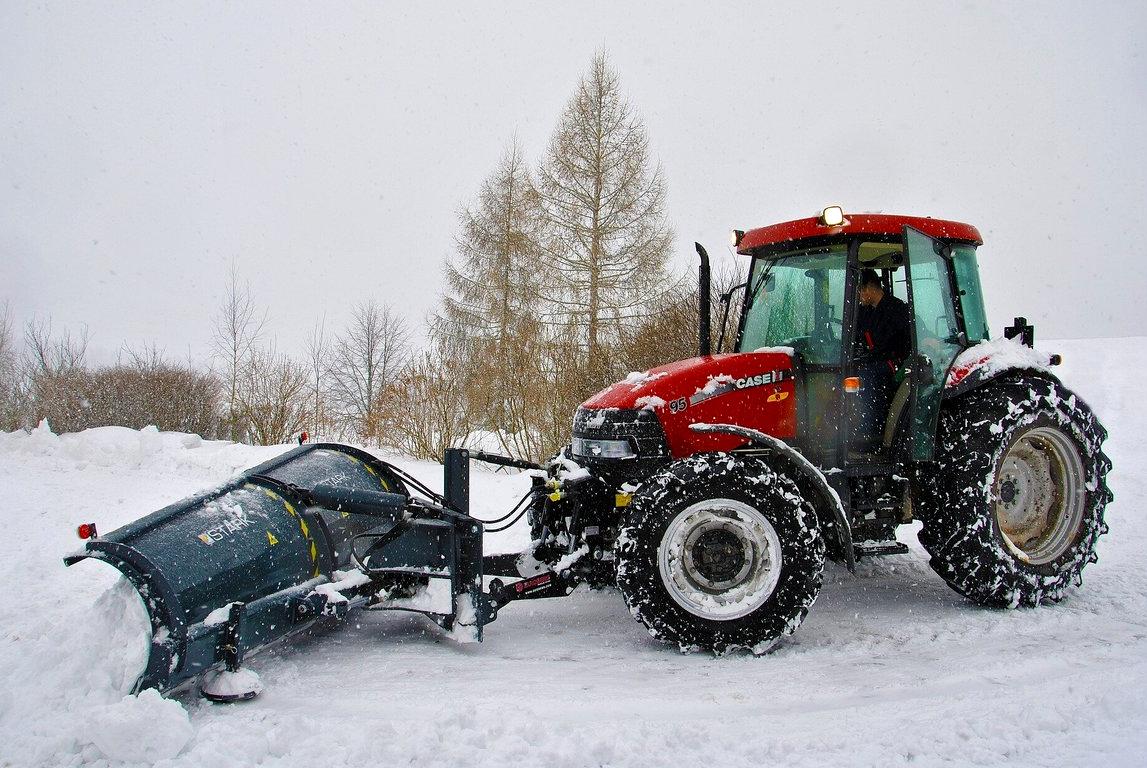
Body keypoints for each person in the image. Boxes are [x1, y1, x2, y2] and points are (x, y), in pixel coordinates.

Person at [853, 269, 911, 450]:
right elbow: (857, 334)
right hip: (876, 359)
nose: (859, 296)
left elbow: (900, 342)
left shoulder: (897, 309)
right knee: (853, 370)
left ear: (869, 288)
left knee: (868, 375)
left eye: (860, 291)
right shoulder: (867, 312)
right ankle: (858, 426)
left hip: (896, 363)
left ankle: (872, 433)